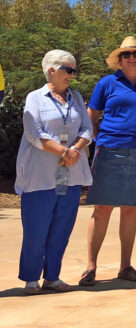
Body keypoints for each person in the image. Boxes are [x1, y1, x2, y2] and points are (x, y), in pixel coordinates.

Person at [79, 36, 136, 286]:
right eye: (127, 55)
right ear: (120, 60)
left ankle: (125, 266)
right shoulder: (106, 83)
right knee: (102, 209)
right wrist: (97, 139)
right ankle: (90, 267)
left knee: (131, 210)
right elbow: (91, 116)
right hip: (110, 150)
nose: (132, 58)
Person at [15, 50, 93, 295]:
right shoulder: (35, 98)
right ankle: (31, 279)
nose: (73, 75)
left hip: (67, 174)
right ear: (52, 70)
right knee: (36, 227)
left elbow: (88, 129)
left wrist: (75, 150)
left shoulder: (77, 98)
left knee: (61, 225)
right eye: (69, 70)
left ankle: (52, 277)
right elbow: (34, 132)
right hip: (40, 175)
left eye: (74, 70)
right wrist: (63, 152)